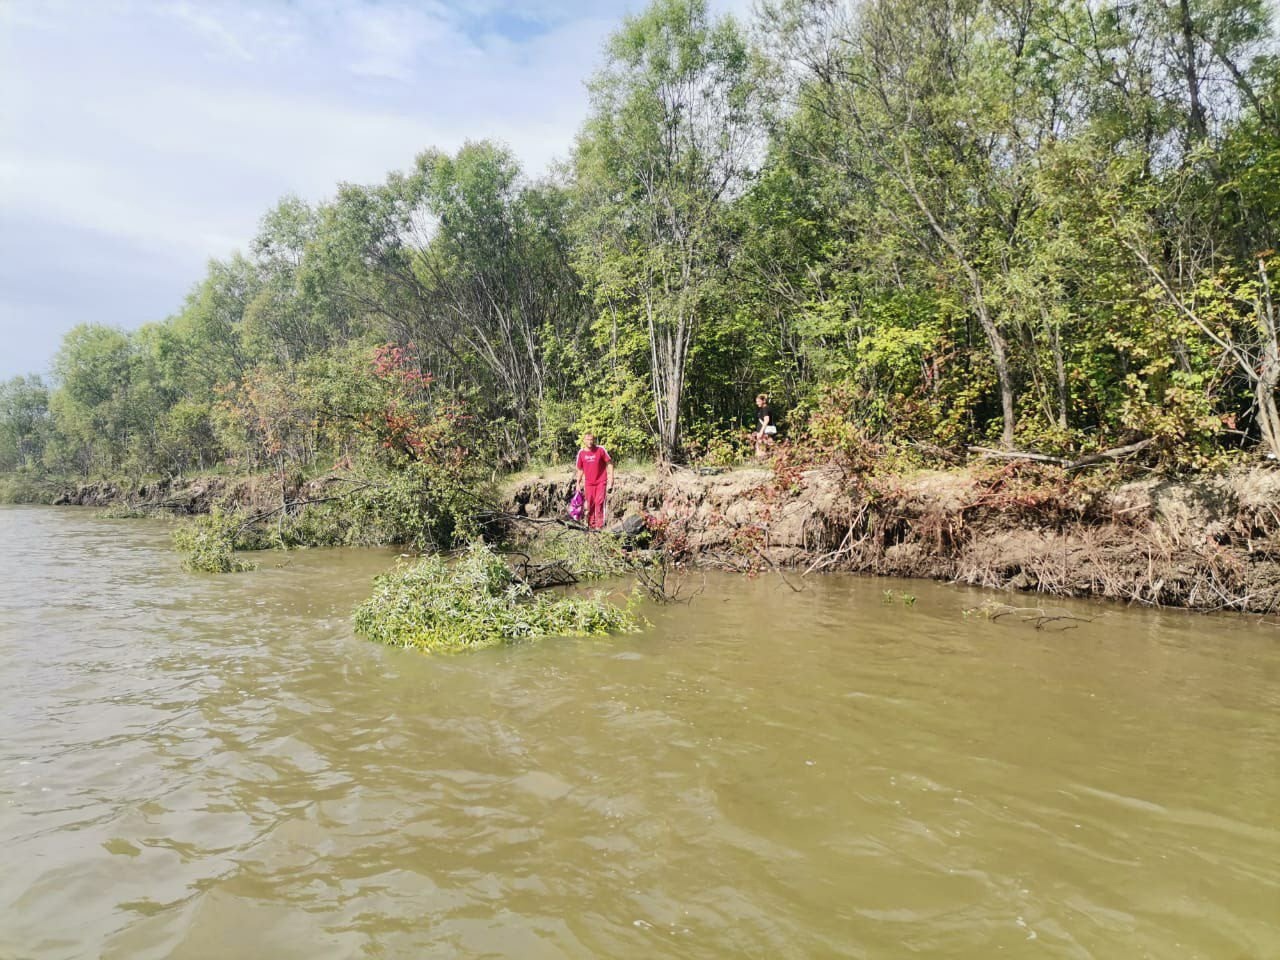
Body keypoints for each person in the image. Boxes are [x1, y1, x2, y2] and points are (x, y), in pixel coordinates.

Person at [575, 433, 614, 530]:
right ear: (584, 441)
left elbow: (609, 464)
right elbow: (580, 470)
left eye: (591, 439)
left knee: (599, 502)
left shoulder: (600, 450)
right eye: (587, 439)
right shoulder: (581, 453)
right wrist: (578, 483)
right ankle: (591, 527)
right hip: (588, 483)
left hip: (601, 481)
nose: (590, 442)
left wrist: (611, 479)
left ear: (594, 440)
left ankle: (599, 527)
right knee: (590, 504)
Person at [752, 393, 778, 458]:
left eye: (758, 401)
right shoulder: (765, 408)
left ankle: (763, 460)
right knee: (767, 445)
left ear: (763, 401)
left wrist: (761, 431)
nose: (757, 403)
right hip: (764, 431)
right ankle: (770, 458)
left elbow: (766, 420)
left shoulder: (765, 409)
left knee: (761, 446)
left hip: (764, 431)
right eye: (756, 401)